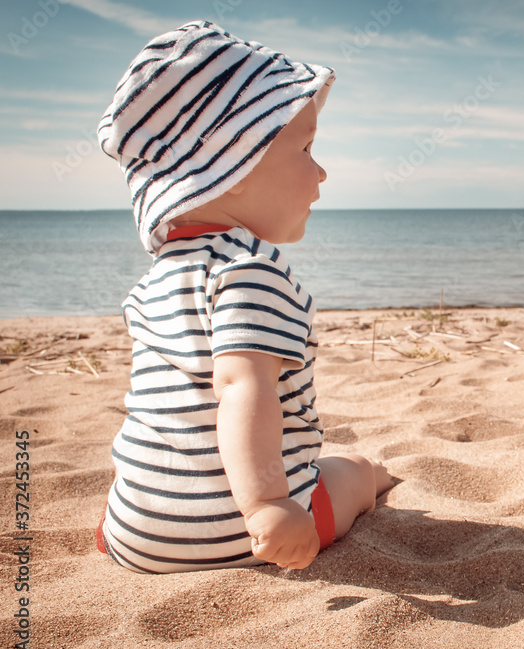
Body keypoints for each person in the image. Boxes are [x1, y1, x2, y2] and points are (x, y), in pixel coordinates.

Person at [94, 20, 392, 574]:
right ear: (231, 165)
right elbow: (238, 387)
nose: (322, 171)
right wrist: (268, 505)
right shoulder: (249, 271)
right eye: (305, 147)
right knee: (349, 472)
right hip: (238, 531)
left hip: (132, 532)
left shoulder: (152, 284)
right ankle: (374, 476)